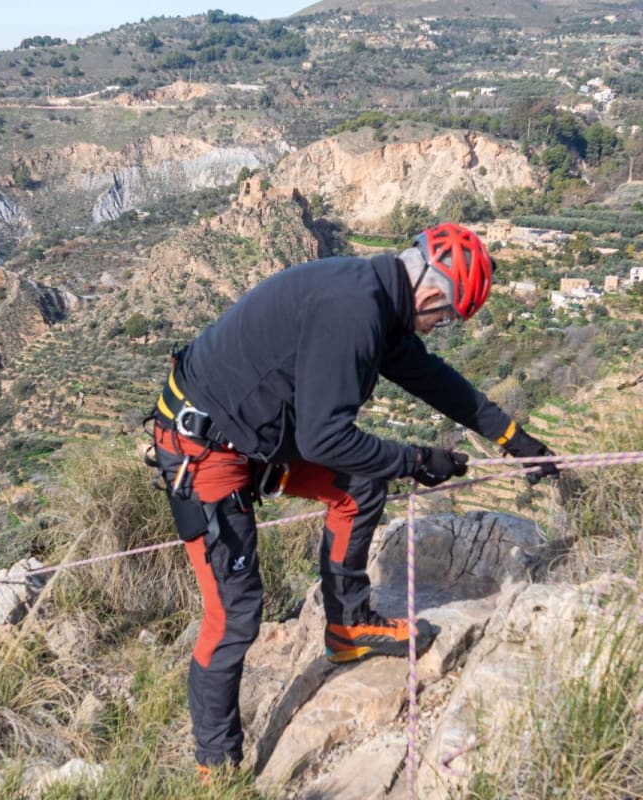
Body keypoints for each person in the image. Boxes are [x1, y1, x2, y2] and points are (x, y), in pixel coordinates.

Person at [148, 222, 558, 772]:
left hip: (249, 437)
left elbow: (436, 381)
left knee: (360, 487)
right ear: (434, 294)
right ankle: (213, 768)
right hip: (205, 451)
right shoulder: (355, 311)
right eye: (447, 317)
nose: (440, 328)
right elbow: (325, 438)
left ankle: (347, 625)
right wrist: (414, 461)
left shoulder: (379, 301)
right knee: (234, 613)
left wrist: (514, 440)